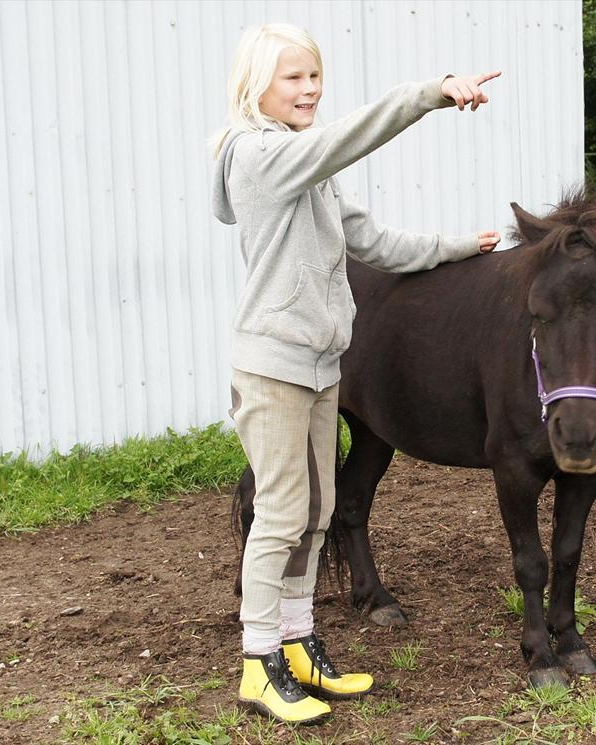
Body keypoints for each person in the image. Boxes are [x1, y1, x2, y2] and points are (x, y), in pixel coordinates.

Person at [210, 23, 501, 724]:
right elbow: (345, 138)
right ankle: (259, 663)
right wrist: (426, 95)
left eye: (314, 76)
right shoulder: (257, 156)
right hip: (274, 366)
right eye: (293, 78)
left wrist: (459, 246)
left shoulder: (307, 168)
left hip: (318, 361)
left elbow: (370, 240)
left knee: (314, 512)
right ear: (257, 85)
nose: (309, 89)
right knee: (280, 515)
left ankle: (299, 641)